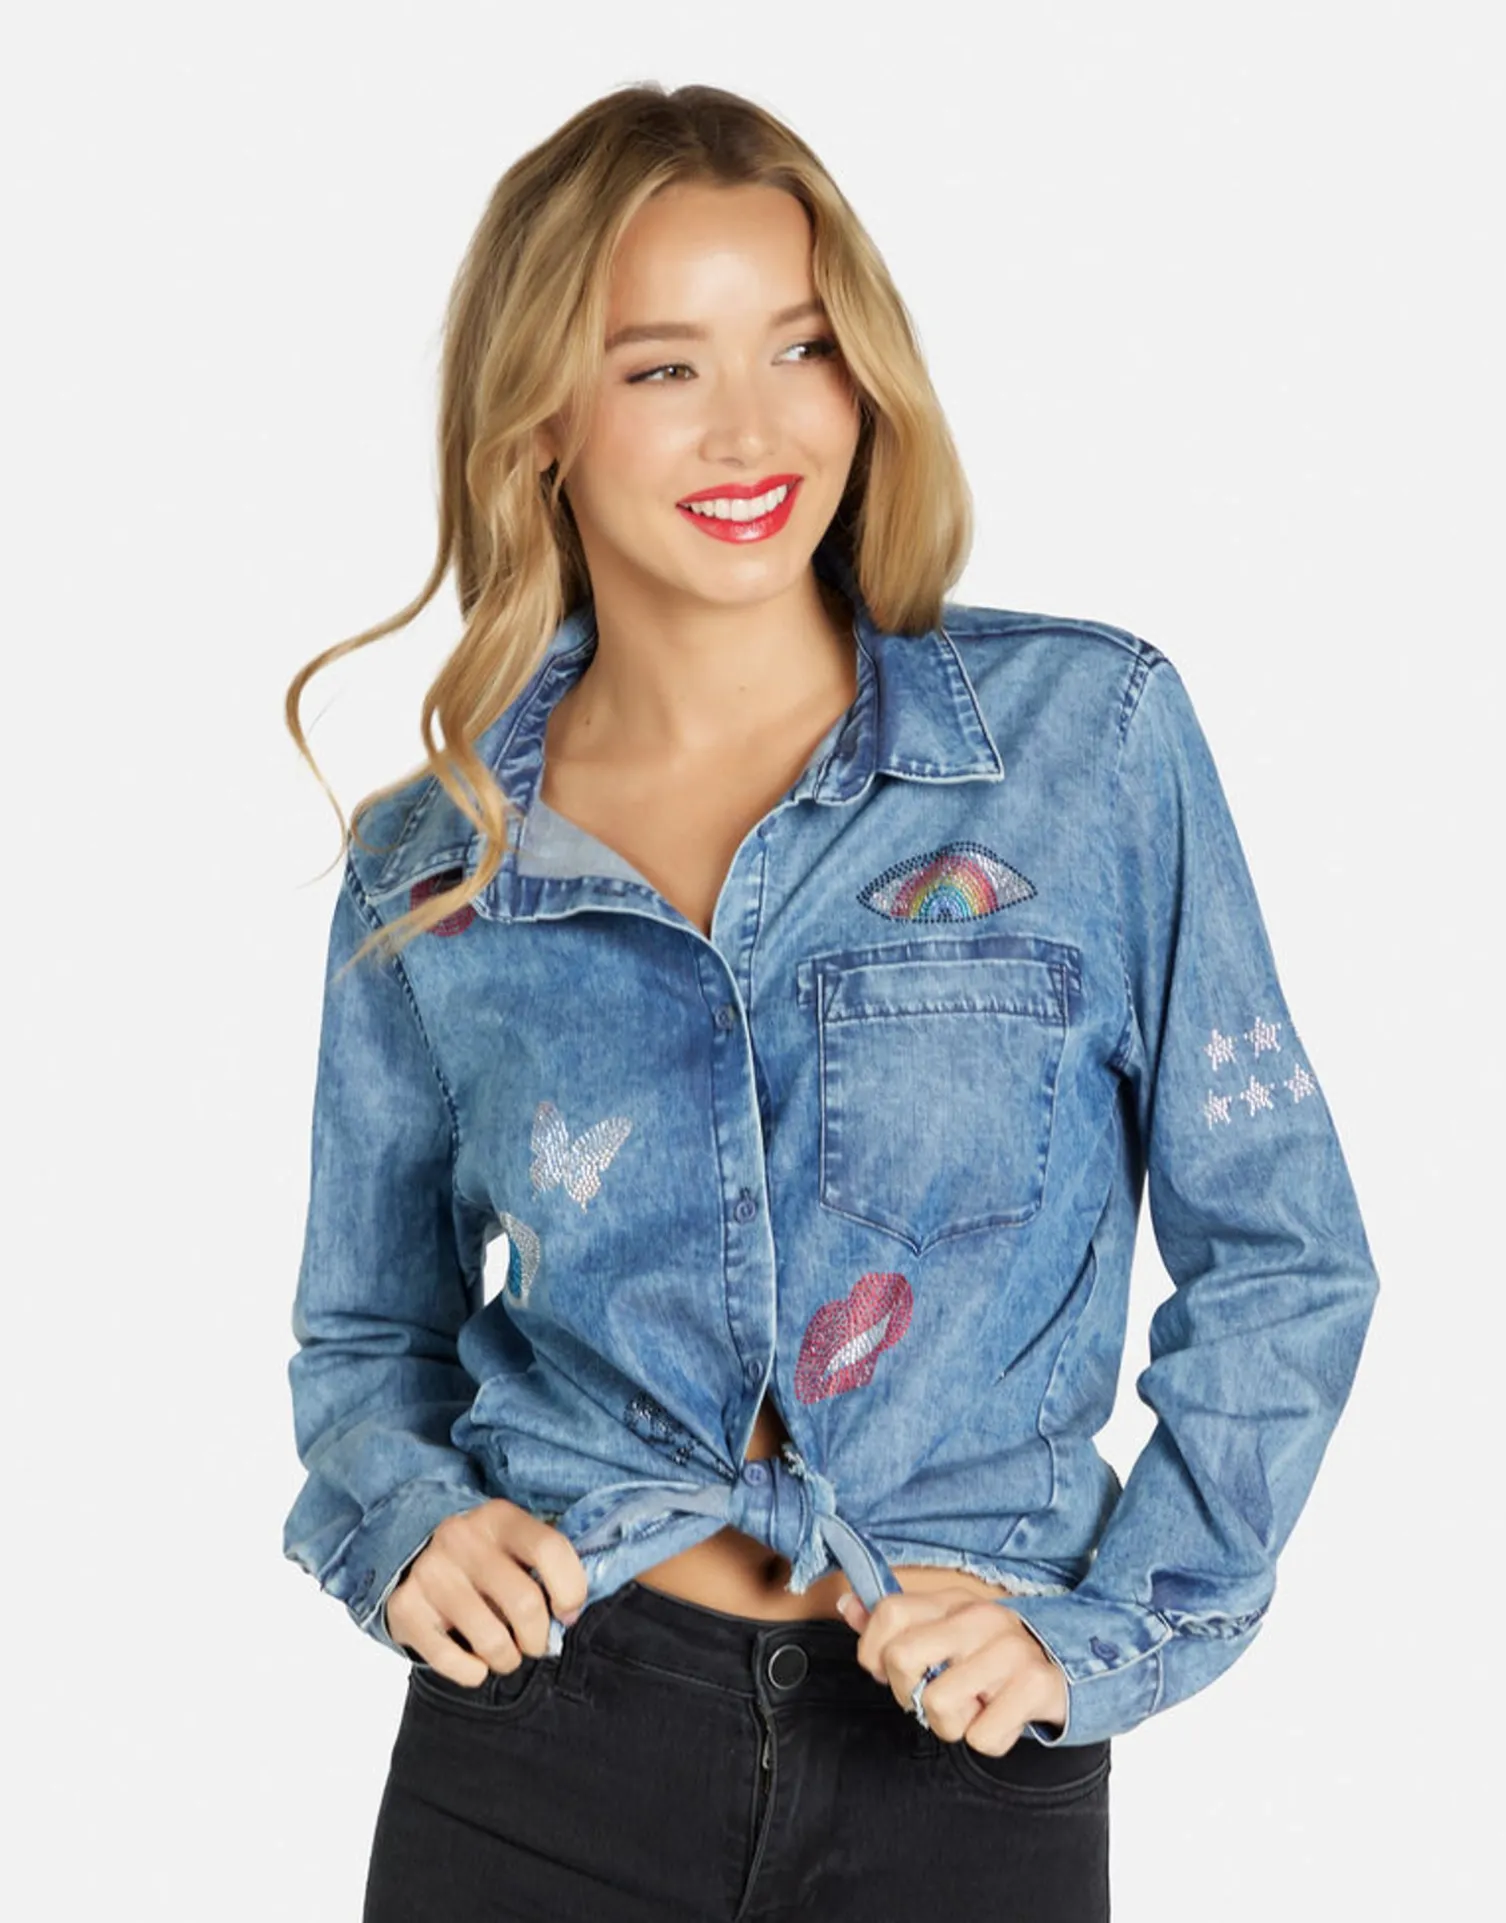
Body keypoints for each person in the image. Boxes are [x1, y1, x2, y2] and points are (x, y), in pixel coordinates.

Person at [281, 82, 1380, 1923]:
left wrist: (1112, 1626)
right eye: (661, 366)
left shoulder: (1086, 746)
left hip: (958, 1757)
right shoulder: (439, 859)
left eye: (801, 345)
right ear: (536, 419)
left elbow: (1284, 1253)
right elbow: (364, 1327)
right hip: (541, 1751)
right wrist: (404, 1523)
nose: (754, 423)